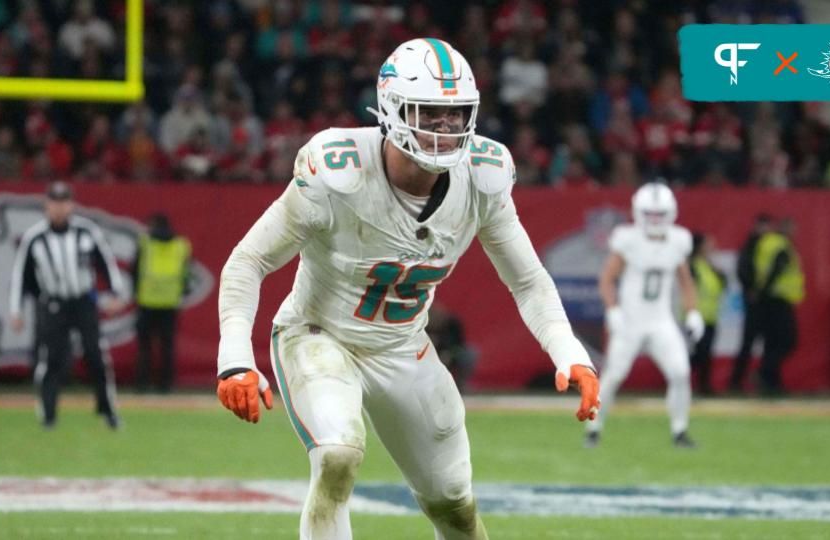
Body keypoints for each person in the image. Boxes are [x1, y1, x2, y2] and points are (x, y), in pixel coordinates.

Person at [215, 38, 600, 540]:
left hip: (402, 347)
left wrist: (569, 351)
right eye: (430, 114)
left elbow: (527, 280)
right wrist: (234, 357)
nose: (445, 129)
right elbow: (249, 260)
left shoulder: (482, 178)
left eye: (456, 115)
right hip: (319, 334)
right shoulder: (337, 171)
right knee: (338, 453)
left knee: (457, 506)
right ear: (393, 111)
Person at [587, 182, 704, 449]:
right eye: (649, 214)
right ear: (639, 213)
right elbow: (607, 278)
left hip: (661, 321)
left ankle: (679, 430)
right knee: (614, 375)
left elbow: (686, 282)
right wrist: (613, 309)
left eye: (659, 215)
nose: (654, 220)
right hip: (631, 321)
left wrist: (693, 312)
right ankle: (593, 427)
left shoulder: (678, 240)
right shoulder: (628, 239)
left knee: (680, 373)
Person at [9, 182, 126, 429]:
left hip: (83, 301)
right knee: (51, 360)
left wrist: (116, 291)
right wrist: (15, 310)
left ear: (71, 204)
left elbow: (105, 262)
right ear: (46, 205)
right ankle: (48, 415)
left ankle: (107, 410)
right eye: (55, 202)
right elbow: (20, 276)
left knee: (95, 356)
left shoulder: (86, 232)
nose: (60, 208)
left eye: (64, 202)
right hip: (53, 304)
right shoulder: (35, 238)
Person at [133, 214, 191, 393]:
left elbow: (134, 270)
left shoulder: (145, 243)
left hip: (146, 301)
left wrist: (135, 291)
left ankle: (142, 383)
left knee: (145, 347)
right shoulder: (181, 246)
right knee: (167, 347)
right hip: (170, 302)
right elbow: (187, 275)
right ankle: (166, 385)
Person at [753, 217, 804, 396]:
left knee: (772, 342)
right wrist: (764, 291)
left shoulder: (767, 243)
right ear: (786, 229)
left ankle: (771, 381)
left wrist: (760, 293)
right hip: (778, 299)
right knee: (787, 340)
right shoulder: (781, 246)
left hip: (769, 299)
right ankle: (765, 373)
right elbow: (776, 270)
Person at [729, 213, 772, 393]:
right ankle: (736, 381)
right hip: (755, 301)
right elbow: (743, 268)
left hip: (768, 301)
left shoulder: (770, 246)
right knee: (748, 342)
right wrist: (750, 289)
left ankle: (765, 378)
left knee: (770, 342)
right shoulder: (751, 246)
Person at [688, 233, 726, 396]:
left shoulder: (708, 265)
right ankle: (679, 378)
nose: (711, 247)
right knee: (700, 353)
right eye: (707, 244)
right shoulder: (692, 266)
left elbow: (723, 282)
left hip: (710, 316)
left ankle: (704, 385)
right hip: (697, 316)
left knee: (705, 353)